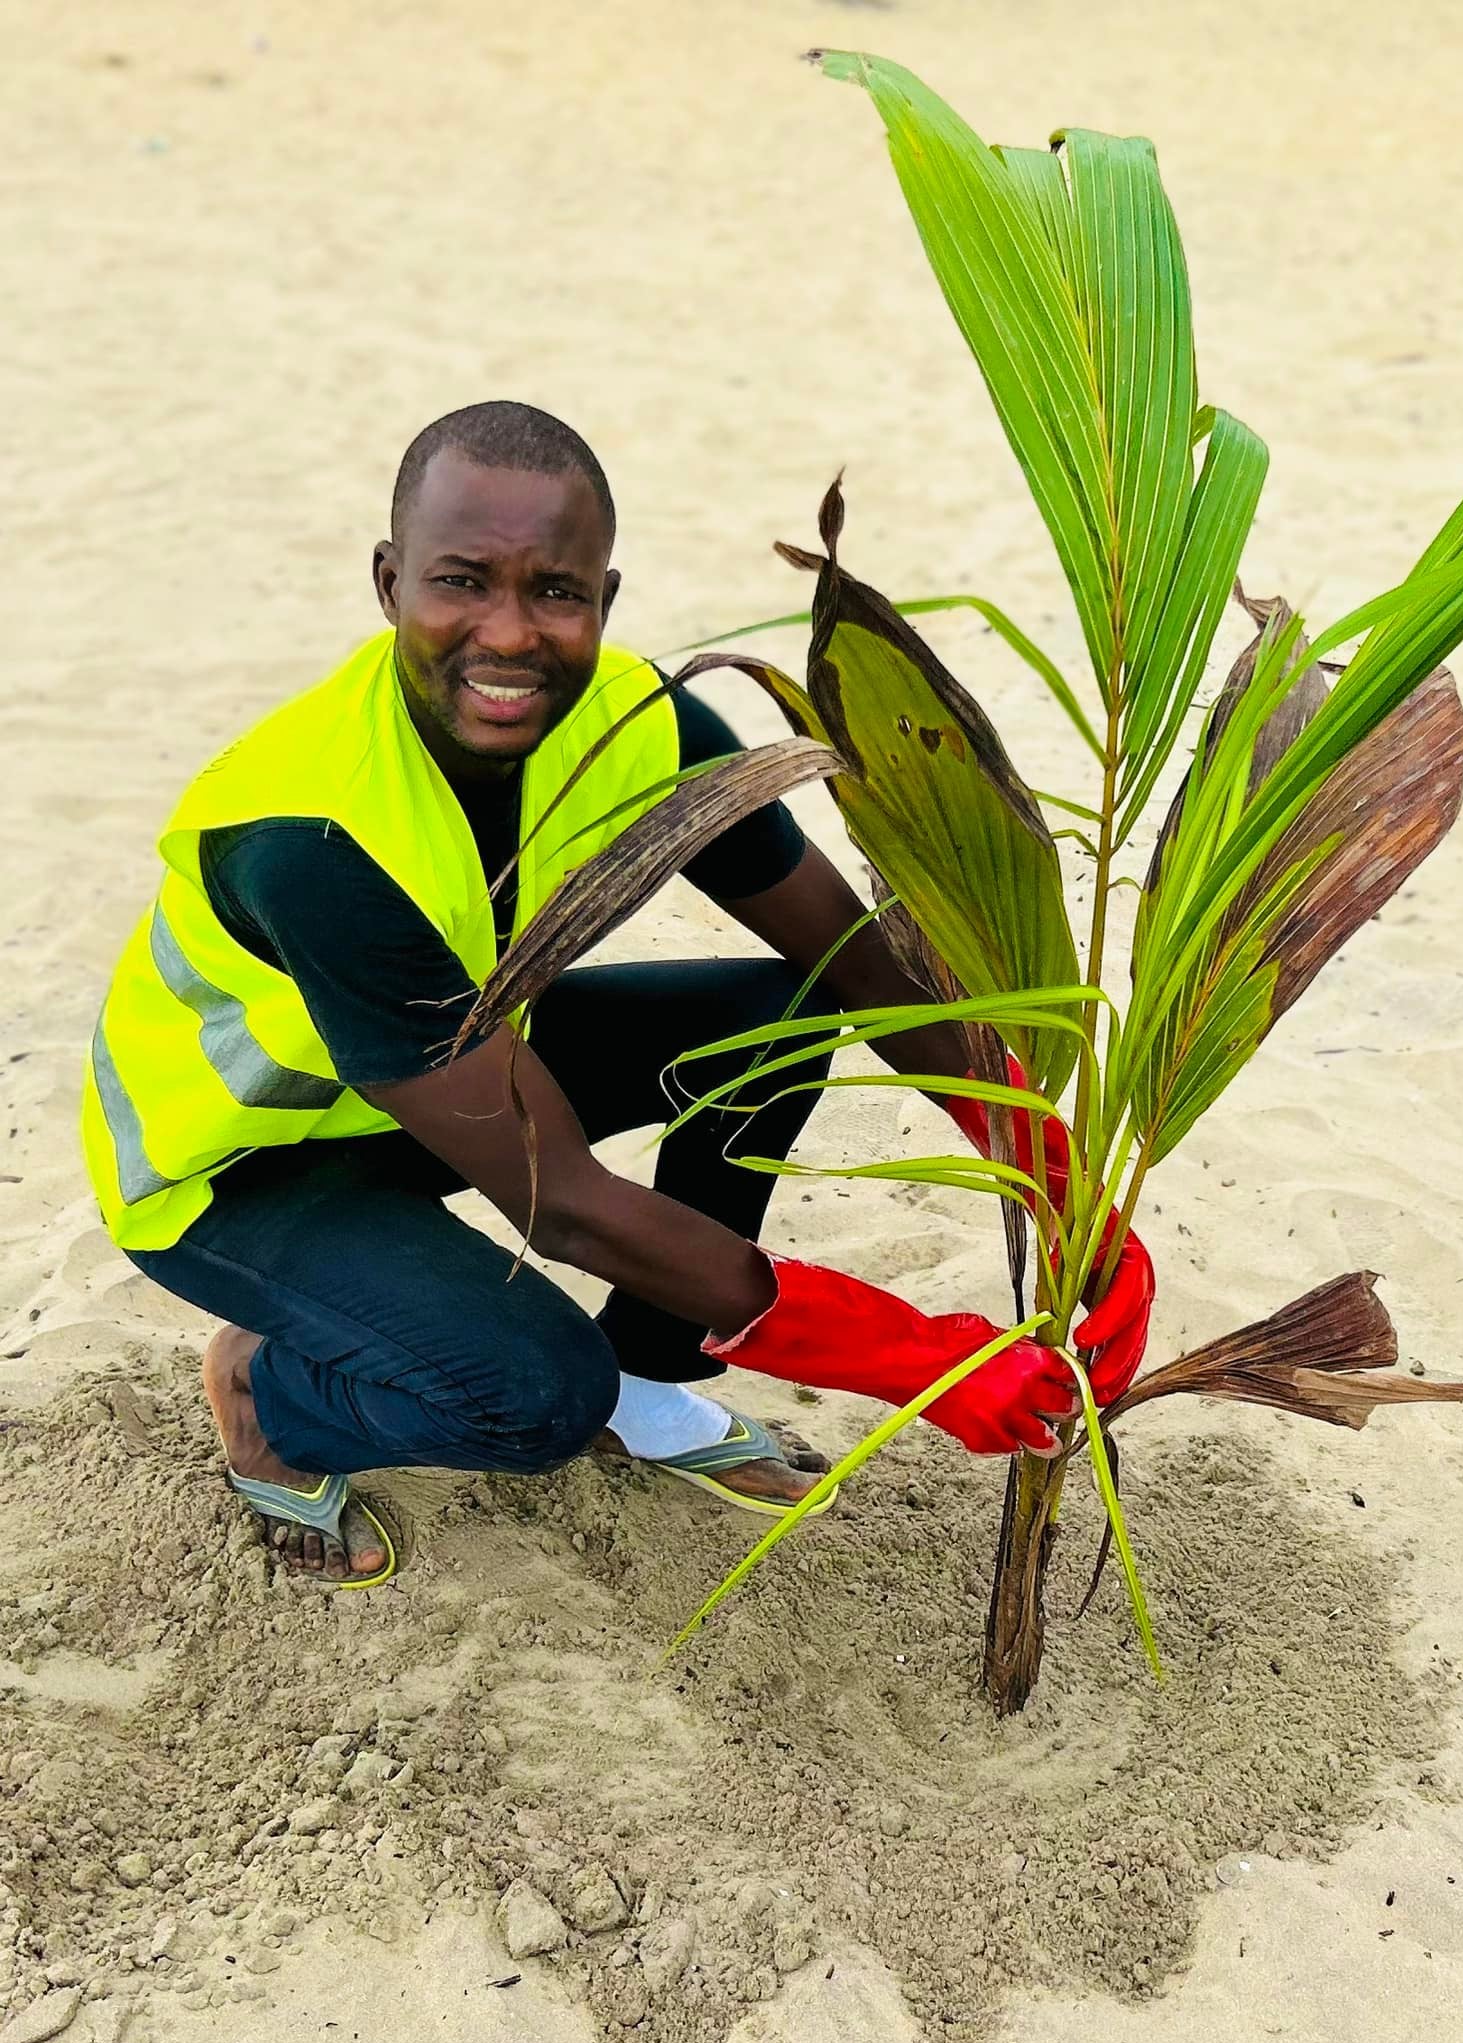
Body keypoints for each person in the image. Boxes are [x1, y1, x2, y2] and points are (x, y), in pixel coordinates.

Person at [80, 401, 1152, 1586]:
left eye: (556, 591)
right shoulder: (311, 831)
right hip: (237, 1167)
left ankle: (651, 1376)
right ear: (388, 583)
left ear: (605, 598)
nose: (508, 633)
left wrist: (1047, 1166)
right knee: (535, 1399)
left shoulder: (638, 723)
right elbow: (562, 1204)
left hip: (429, 1087)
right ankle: (273, 1396)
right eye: (459, 581)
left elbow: (844, 951)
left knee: (780, 1013)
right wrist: (913, 1355)